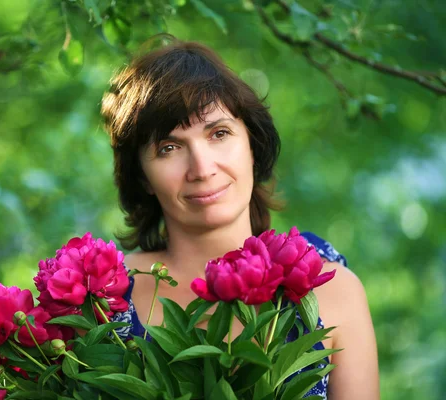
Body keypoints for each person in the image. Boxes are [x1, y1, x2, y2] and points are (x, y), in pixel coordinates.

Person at [101, 36, 379, 399]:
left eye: (219, 134)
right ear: (142, 177)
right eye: (169, 148)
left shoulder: (333, 289)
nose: (201, 168)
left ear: (253, 145)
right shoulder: (103, 302)